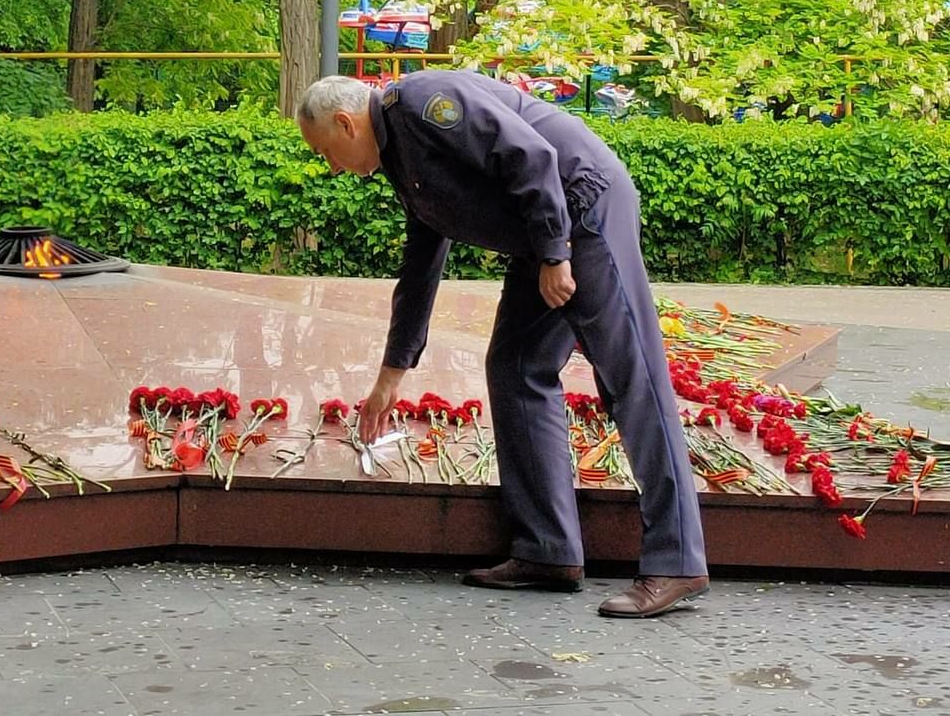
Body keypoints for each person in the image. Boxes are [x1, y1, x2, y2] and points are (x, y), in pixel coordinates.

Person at [297, 70, 709, 619]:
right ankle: (547, 550)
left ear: (346, 124)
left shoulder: (425, 104)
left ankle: (678, 561)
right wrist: (392, 373)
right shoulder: (398, 150)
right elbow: (422, 263)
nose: (332, 167)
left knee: (632, 379)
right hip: (544, 237)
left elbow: (530, 155)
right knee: (517, 366)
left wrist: (557, 254)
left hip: (582, 213)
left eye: (327, 151)